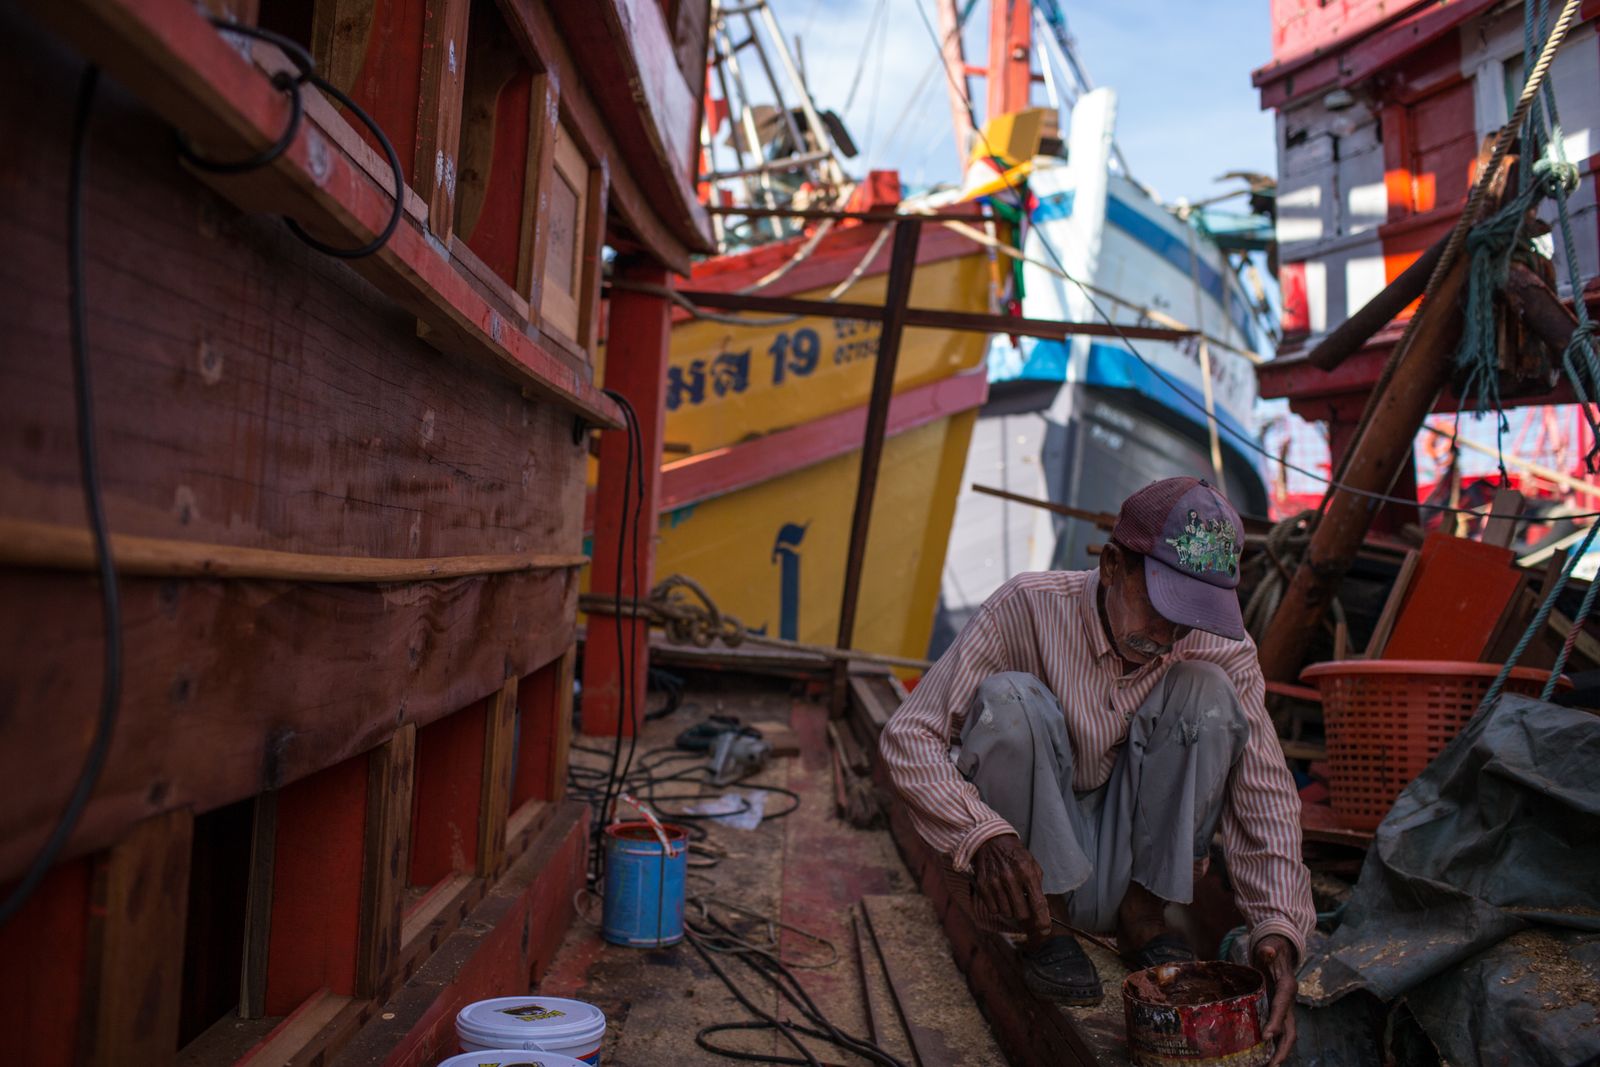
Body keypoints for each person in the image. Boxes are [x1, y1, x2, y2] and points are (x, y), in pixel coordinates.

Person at [880, 476, 1312, 1065]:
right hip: (1025, 877)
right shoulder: (1028, 605)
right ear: (1111, 565)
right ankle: (1047, 931)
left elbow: (1264, 792)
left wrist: (1278, 926)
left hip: (1131, 864)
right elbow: (910, 735)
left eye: (1188, 618)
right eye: (1162, 607)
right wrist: (982, 835)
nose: (1169, 635)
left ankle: (1142, 918)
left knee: (1208, 694)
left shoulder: (1215, 650)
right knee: (1011, 701)